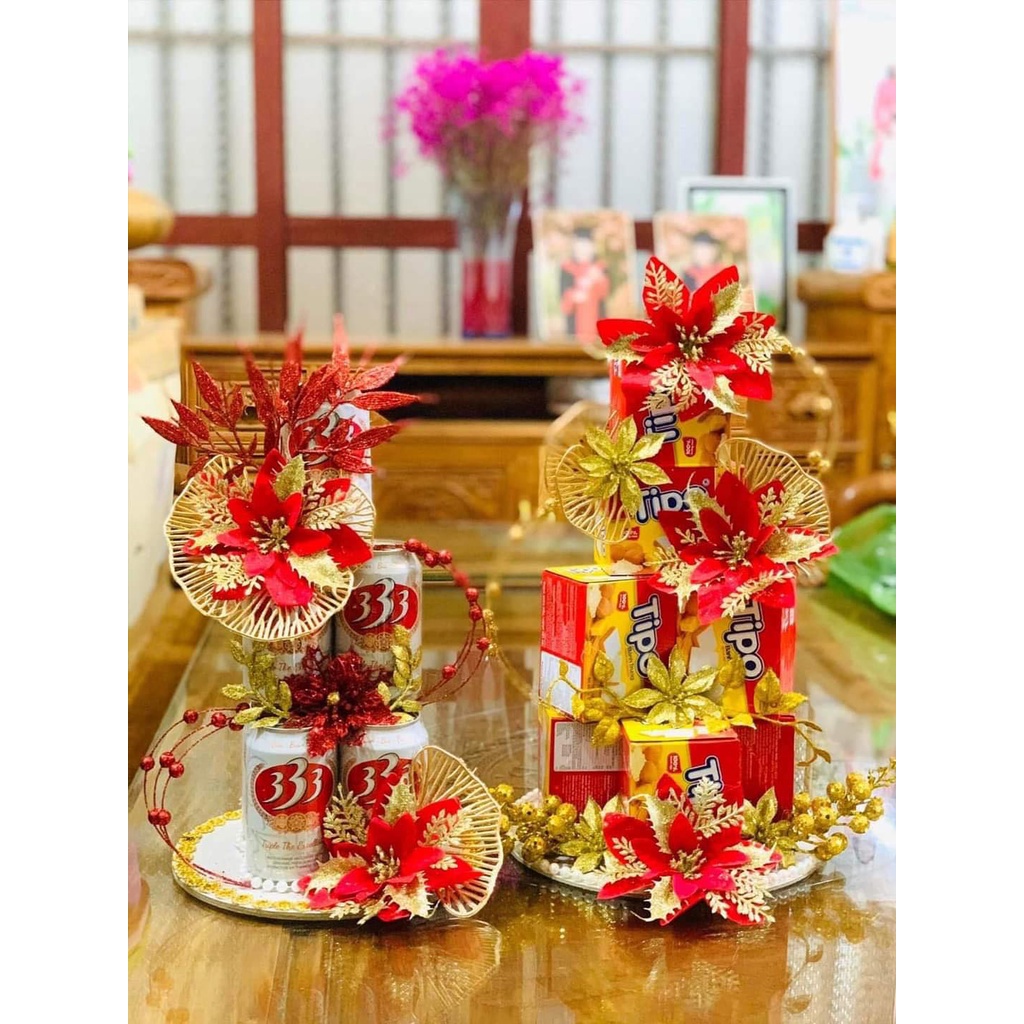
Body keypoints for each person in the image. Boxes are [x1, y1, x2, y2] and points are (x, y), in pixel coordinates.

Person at [559, 228, 610, 341]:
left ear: (593, 247)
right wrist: (574, 295)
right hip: (575, 322)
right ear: (574, 247)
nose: (583, 249)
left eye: (586, 245)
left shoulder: (601, 267)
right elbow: (563, 295)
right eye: (580, 245)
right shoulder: (567, 268)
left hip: (597, 318)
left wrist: (598, 279)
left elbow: (605, 293)